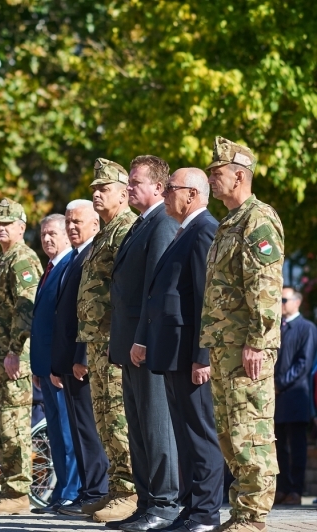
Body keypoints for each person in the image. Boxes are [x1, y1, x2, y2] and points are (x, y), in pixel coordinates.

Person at [200, 136, 285, 532]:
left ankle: (252, 516)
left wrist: (257, 342)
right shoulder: (229, 223)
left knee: (250, 429)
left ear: (239, 175)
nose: (212, 180)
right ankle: (240, 513)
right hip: (224, 348)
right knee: (230, 433)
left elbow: (265, 290)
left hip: (246, 348)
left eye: (217, 174)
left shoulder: (257, 219)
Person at [143, 168, 222, 532]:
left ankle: (205, 513)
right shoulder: (184, 231)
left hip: (190, 353)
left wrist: (202, 356)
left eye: (170, 188)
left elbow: (206, 299)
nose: (165, 195)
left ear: (191, 194)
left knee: (199, 432)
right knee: (184, 433)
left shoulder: (204, 229)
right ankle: (191, 509)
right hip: (173, 350)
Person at [108, 155, 180, 529]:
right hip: (129, 345)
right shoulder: (140, 225)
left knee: (156, 425)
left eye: (136, 182)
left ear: (157, 186)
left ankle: (165, 504)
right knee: (137, 427)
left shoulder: (163, 224)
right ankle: (146, 501)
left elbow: (156, 289)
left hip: (146, 345)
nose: (130, 188)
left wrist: (141, 340)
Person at [73, 158, 137, 518]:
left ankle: (130, 492)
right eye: (94, 189)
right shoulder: (105, 233)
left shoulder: (128, 228)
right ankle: (116, 486)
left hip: (115, 340)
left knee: (118, 416)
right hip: (97, 340)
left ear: (124, 194)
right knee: (104, 417)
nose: (97, 193)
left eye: (104, 188)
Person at [0, 197, 42, 515]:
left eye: (8, 223)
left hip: (12, 357)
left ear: (21, 227)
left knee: (14, 425)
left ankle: (20, 491)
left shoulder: (23, 259)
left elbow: (25, 309)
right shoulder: (0, 261)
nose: (1, 227)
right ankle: (12, 488)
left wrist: (16, 351)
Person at [51, 199, 109, 516]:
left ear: (94, 223)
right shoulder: (73, 258)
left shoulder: (93, 253)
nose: (72, 227)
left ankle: (97, 490)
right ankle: (88, 491)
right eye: (69, 222)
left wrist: (82, 354)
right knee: (78, 430)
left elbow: (94, 309)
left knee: (90, 429)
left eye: (78, 221)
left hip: (84, 360)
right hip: (68, 361)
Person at [29, 213, 80, 514]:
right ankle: (61, 490)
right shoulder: (49, 269)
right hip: (45, 367)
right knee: (56, 433)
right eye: (43, 234)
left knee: (66, 431)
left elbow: (63, 323)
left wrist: (57, 364)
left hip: (59, 366)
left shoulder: (68, 265)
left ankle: (72, 490)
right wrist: (39, 367)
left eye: (52, 233)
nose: (47, 239)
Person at [274, 287, 316, 506]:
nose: (280, 302)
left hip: (295, 397)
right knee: (278, 447)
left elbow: (303, 363)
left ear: (297, 302)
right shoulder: (276, 328)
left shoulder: (306, 328)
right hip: (276, 399)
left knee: (297, 447)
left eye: (283, 299)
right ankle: (282, 488)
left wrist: (279, 384)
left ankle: (296, 490)